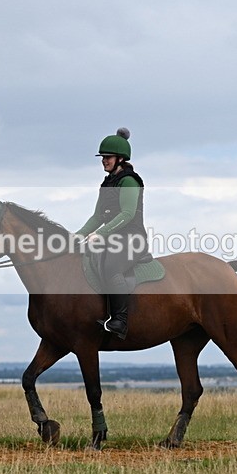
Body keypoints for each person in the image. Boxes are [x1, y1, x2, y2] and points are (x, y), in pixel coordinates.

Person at [75, 127, 149, 340]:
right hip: (112, 239)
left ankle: (120, 320)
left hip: (132, 240)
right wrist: (77, 236)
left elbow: (127, 214)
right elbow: (97, 216)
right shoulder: (106, 183)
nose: (104, 161)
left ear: (120, 158)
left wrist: (101, 234)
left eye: (108, 157)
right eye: (103, 157)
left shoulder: (129, 181)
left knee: (111, 266)